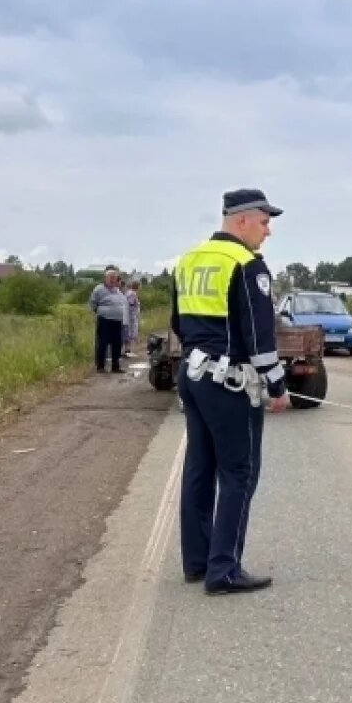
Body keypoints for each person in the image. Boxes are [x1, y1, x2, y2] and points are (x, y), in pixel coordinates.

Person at [171, 188, 290, 595]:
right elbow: (259, 336)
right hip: (229, 383)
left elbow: (177, 322)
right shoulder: (247, 264)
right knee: (239, 472)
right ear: (242, 221)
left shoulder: (188, 261)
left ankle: (197, 562)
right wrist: (277, 384)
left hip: (192, 374)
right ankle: (224, 570)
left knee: (199, 469)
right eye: (264, 221)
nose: (268, 231)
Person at [88, 267, 128, 373]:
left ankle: (115, 366)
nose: (112, 279)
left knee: (117, 343)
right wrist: (101, 312)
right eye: (110, 277)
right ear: (105, 278)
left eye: (114, 277)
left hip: (117, 321)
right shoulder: (99, 289)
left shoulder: (117, 290)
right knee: (102, 343)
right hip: (105, 320)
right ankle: (100, 366)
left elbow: (122, 303)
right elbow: (92, 303)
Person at [124, 280, 142, 357]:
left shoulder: (129, 293)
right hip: (130, 317)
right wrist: (133, 316)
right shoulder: (132, 294)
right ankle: (127, 351)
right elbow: (131, 305)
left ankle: (127, 350)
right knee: (129, 333)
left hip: (130, 316)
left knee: (129, 334)